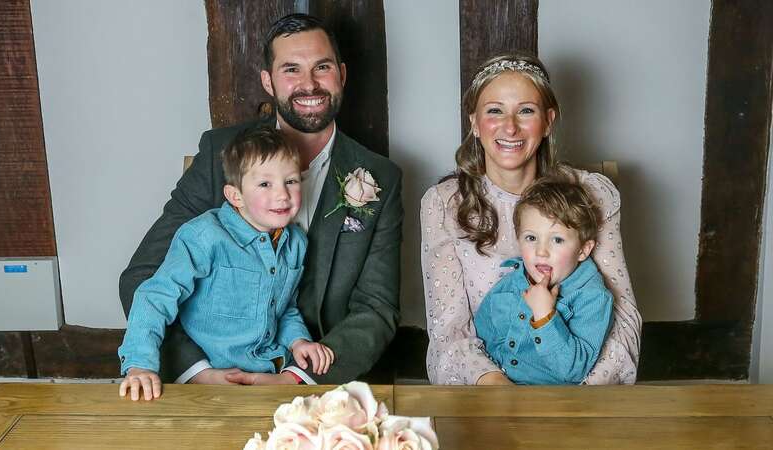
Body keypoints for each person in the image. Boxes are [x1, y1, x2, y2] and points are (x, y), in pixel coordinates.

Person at [119, 14, 402, 387]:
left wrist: (296, 378)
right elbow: (144, 278)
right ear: (268, 81)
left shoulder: (380, 176)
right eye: (291, 70)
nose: (309, 84)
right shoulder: (220, 153)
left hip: (321, 380)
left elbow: (376, 310)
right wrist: (200, 374)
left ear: (342, 74)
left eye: (322, 67)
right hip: (211, 375)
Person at [420, 53, 641, 385]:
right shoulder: (445, 204)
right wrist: (500, 391)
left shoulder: (591, 194)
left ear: (548, 121)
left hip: (577, 393)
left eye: (526, 111)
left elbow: (623, 319)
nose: (510, 127)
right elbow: (448, 333)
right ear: (475, 124)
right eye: (495, 111)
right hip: (489, 388)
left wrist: (573, 400)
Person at [117, 128, 334, 401]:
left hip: (268, 374)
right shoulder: (203, 236)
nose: (282, 194)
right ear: (235, 196)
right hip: (205, 380)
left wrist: (298, 340)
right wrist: (140, 365)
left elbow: (282, 307)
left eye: (290, 181)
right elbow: (154, 298)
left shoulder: (295, 243)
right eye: (265, 184)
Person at [473, 174, 613, 384]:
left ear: (583, 250)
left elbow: (573, 370)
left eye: (557, 239)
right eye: (531, 238)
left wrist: (544, 316)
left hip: (550, 403)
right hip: (496, 391)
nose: (541, 251)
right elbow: (480, 335)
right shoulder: (511, 281)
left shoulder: (594, 298)